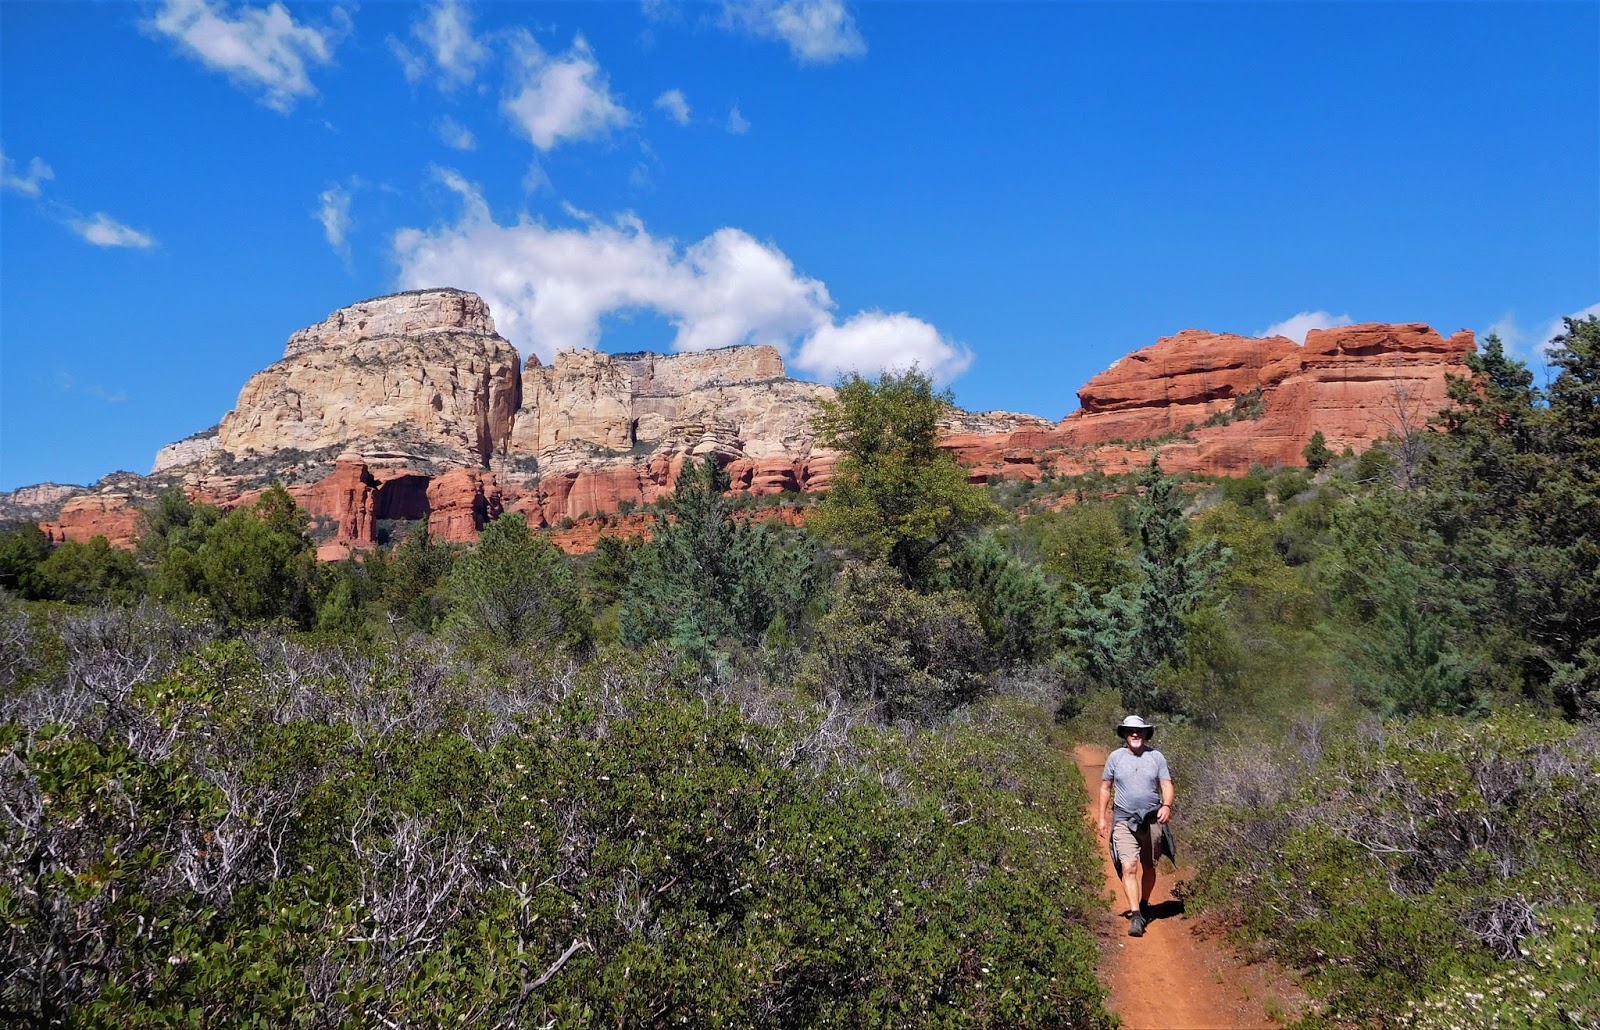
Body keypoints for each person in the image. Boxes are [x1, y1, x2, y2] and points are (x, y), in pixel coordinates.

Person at [1097, 714, 1174, 937]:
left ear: (1145, 734)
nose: (1135, 734)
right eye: (1130, 730)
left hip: (1152, 820)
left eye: (1139, 731)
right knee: (1128, 867)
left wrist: (1166, 805)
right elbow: (1105, 788)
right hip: (1123, 819)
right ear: (1124, 734)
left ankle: (1145, 902)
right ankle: (1137, 915)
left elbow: (1166, 784)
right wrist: (1102, 818)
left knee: (1149, 866)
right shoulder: (1115, 757)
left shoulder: (1156, 757)